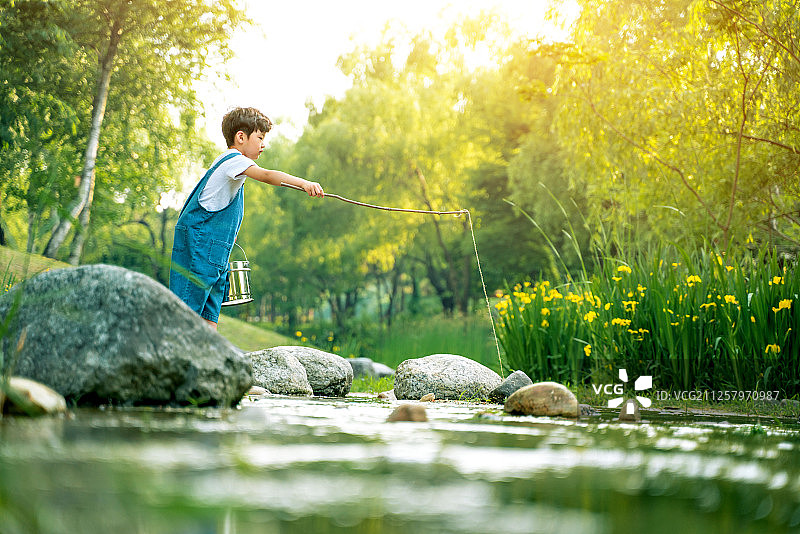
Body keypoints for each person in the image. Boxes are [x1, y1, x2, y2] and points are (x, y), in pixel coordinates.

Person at [169, 106, 323, 330]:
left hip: (215, 256)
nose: (264, 144)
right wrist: (304, 183)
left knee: (209, 316)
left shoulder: (234, 169)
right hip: (199, 250)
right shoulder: (233, 161)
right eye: (260, 137)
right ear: (240, 137)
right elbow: (267, 175)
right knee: (186, 313)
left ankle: (207, 359)